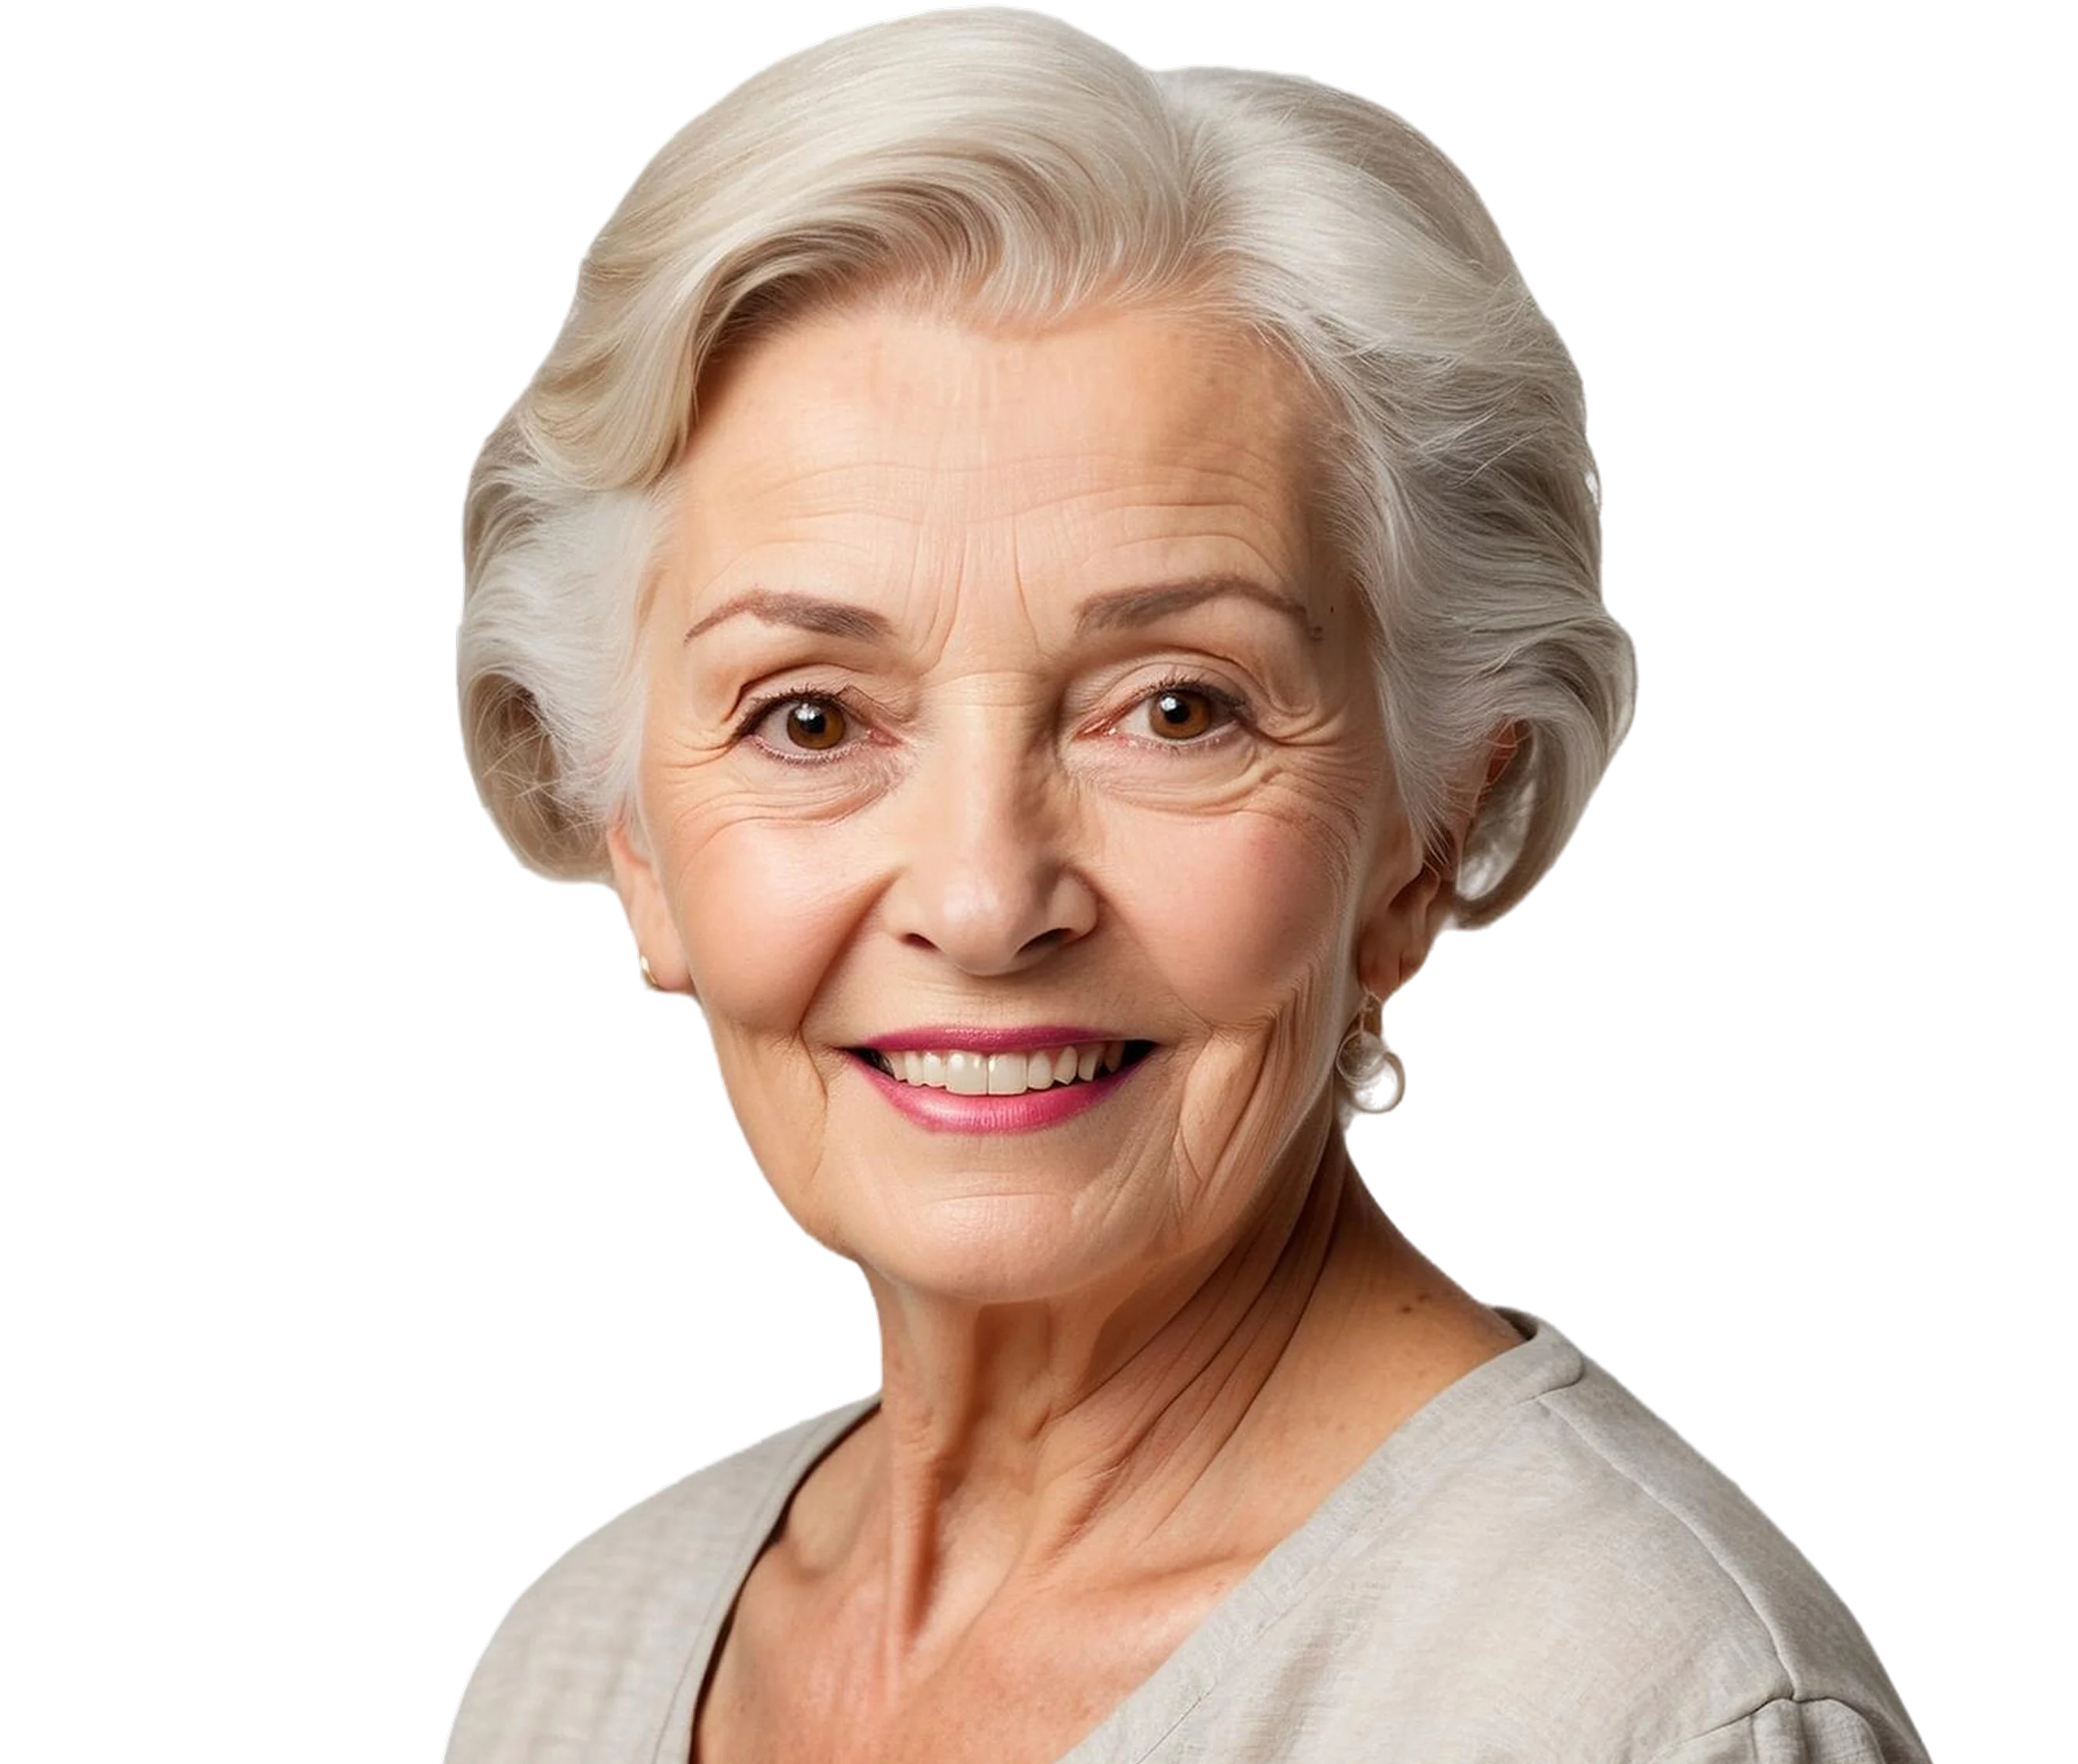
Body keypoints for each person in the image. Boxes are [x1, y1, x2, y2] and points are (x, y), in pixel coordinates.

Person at [446, 9, 1930, 1760]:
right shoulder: (576, 1664)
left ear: (1433, 829)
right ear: (631, 836)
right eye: (812, 717)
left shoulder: (1636, 1710)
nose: (986, 902)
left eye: (1176, 708)